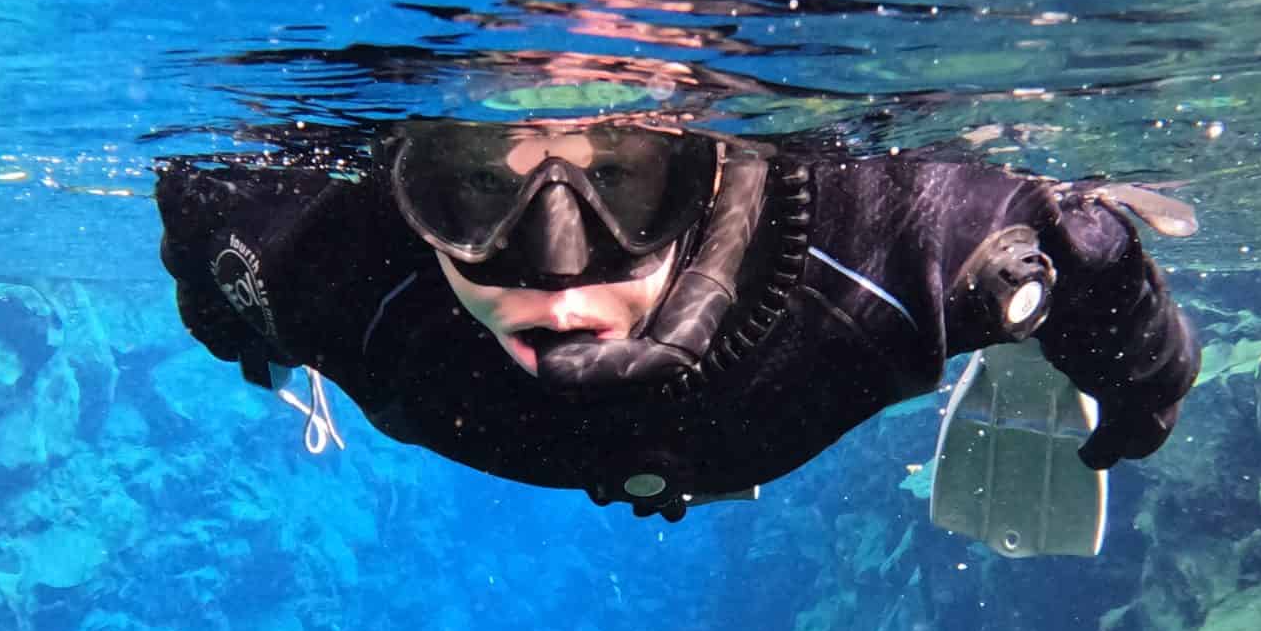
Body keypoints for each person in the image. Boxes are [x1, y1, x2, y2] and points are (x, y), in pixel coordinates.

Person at [155, 120, 1198, 520]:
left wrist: (1138, 372)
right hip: (785, 411)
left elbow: (1095, 263)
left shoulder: (904, 247)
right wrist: (246, 332)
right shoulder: (324, 274)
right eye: (474, 185)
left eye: (623, 179)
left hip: (830, 368)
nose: (555, 280)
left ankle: (1012, 344)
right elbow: (213, 248)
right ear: (402, 186)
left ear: (705, 170)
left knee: (1035, 288)